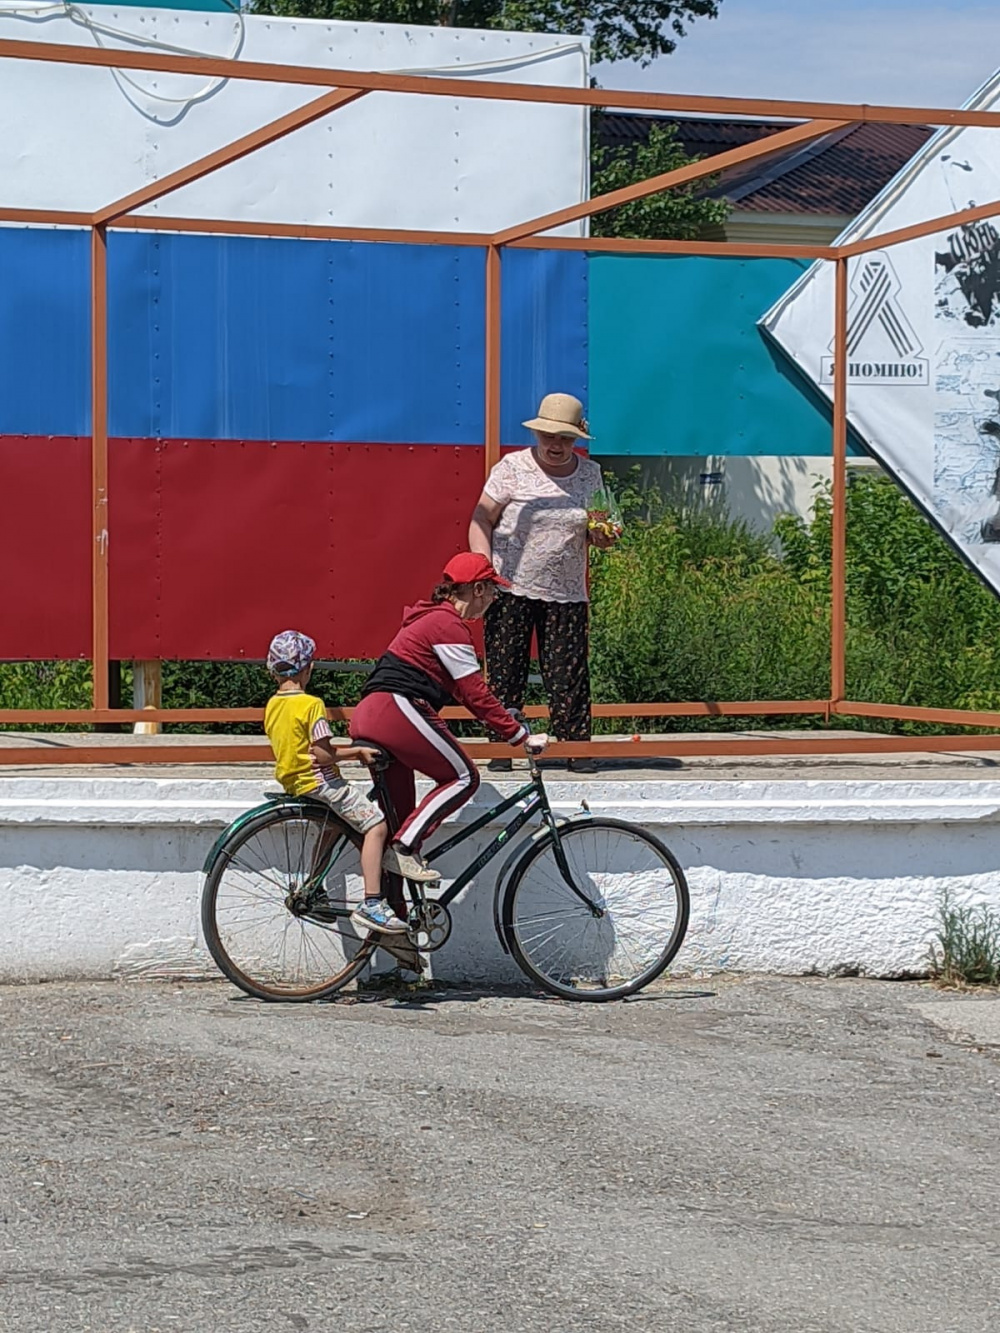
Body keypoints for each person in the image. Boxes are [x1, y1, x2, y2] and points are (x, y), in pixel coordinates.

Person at [350, 552, 548, 880]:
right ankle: (405, 849)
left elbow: (462, 692)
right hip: (395, 709)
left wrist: (504, 717)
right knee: (464, 777)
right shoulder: (448, 625)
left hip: (371, 713)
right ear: (478, 589)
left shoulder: (430, 618)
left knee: (399, 820)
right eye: (493, 590)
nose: (494, 598)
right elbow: (474, 692)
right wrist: (520, 737)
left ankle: (389, 909)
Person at [468, 391, 617, 774]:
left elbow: (600, 524)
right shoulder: (512, 468)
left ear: (576, 438)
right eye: (549, 436)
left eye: (565, 438)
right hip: (509, 586)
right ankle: (502, 748)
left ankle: (576, 749)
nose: (556, 444)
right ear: (537, 434)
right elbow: (481, 518)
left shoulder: (590, 474)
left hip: (566, 592)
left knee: (569, 674)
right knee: (505, 672)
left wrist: (602, 536)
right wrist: (483, 566)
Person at [263, 629, 411, 937]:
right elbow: (323, 754)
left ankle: (313, 887)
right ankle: (373, 903)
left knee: (332, 828)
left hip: (295, 783)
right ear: (308, 668)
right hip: (321, 782)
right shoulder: (311, 705)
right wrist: (356, 751)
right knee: (376, 826)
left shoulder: (273, 705)